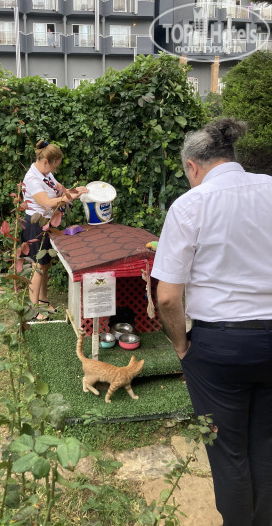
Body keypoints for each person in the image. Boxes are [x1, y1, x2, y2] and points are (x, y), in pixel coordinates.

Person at [151, 118, 272, 526]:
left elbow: (168, 296)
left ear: (192, 166)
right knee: (267, 443)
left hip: (219, 346)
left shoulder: (191, 204)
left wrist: (181, 346)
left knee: (227, 451)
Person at [22, 140, 88, 320]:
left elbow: (58, 189)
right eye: (54, 167)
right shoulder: (32, 179)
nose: (54, 171)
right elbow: (46, 203)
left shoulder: (46, 174)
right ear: (45, 162)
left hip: (47, 222)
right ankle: (33, 310)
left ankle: (42, 301)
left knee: (45, 263)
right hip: (35, 223)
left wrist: (71, 191)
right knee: (37, 266)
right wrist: (71, 196)